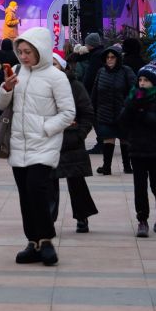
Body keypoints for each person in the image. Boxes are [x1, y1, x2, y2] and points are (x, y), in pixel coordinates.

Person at [0, 27, 75, 266]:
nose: (23, 56)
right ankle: (33, 241)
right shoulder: (18, 72)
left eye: (28, 51)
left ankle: (47, 239)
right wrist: (6, 88)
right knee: (25, 195)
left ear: (40, 50)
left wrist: (45, 128)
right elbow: (0, 105)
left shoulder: (56, 76)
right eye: (20, 51)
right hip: (18, 144)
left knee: (37, 190)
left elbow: (68, 112)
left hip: (44, 144)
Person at [119, 62, 156, 238]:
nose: (142, 83)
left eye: (146, 80)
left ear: (154, 82)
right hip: (137, 148)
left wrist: (145, 114)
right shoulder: (132, 97)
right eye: (140, 80)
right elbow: (122, 121)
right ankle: (142, 220)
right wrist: (131, 107)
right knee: (140, 186)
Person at [51, 50, 97, 233]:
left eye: (55, 64)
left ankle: (82, 216)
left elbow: (87, 113)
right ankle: (48, 219)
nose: (52, 68)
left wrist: (80, 134)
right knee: (49, 183)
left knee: (76, 182)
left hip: (71, 141)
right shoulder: (44, 85)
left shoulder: (75, 86)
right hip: (50, 141)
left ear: (63, 66)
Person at [94, 46, 137, 175]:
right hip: (104, 112)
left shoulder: (126, 71)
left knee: (124, 139)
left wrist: (129, 106)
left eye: (112, 57)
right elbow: (95, 92)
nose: (110, 59)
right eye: (107, 57)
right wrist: (93, 109)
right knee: (108, 138)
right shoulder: (101, 72)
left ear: (118, 58)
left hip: (122, 112)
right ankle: (106, 167)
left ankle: (127, 166)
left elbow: (134, 90)